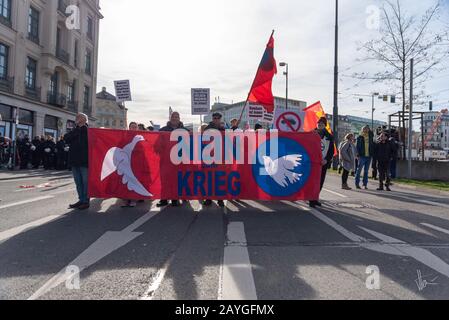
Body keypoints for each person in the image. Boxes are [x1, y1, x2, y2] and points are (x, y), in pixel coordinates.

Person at [157, 112, 189, 207]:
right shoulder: (163, 130)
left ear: (179, 118)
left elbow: (190, 146)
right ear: (170, 118)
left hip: (179, 161)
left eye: (176, 117)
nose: (175, 118)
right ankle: (164, 199)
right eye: (173, 117)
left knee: (177, 179)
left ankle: (175, 198)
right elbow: (157, 145)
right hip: (166, 160)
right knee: (165, 180)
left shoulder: (185, 131)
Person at [65, 113, 90, 210]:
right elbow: (67, 138)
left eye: (79, 117)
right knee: (78, 182)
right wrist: (77, 128)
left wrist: (80, 128)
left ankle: (86, 201)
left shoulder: (88, 130)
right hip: (74, 160)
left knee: (85, 182)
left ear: (84, 119)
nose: (76, 118)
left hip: (84, 161)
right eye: (76, 117)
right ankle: (81, 199)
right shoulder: (75, 130)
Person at [310, 117, 335, 208]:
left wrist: (327, 159)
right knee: (312, 181)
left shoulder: (329, 136)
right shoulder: (311, 133)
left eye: (322, 124)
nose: (319, 124)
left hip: (323, 162)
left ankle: (315, 198)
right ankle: (311, 198)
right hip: (312, 162)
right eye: (318, 123)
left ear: (325, 125)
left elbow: (331, 151)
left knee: (320, 181)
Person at [203, 113, 226, 208]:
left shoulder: (223, 129)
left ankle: (220, 199)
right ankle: (208, 198)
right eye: (214, 118)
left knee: (219, 178)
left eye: (217, 118)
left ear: (220, 119)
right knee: (209, 178)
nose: (216, 119)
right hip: (209, 157)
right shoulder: (208, 128)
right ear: (212, 119)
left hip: (219, 157)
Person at [122, 122, 139, 208]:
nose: (133, 128)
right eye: (132, 127)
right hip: (126, 163)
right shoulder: (124, 137)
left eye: (135, 127)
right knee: (125, 182)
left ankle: (133, 199)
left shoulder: (139, 137)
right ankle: (125, 200)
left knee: (133, 181)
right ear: (129, 128)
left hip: (136, 164)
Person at [355, 125, 375, 190]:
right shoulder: (359, 137)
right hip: (362, 156)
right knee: (359, 170)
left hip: (368, 156)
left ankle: (365, 184)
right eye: (364, 129)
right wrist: (357, 155)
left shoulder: (370, 137)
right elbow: (357, 147)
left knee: (366, 171)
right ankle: (357, 184)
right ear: (362, 130)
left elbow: (372, 144)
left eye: (367, 129)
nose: (366, 130)